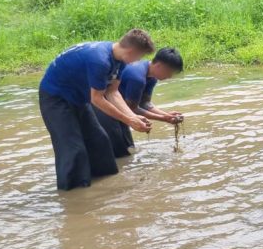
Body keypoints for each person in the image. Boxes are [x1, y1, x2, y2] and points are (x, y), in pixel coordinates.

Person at [38, 29, 156, 190]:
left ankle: (104, 188)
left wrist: (132, 117)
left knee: (99, 141)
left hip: (79, 98)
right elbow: (97, 99)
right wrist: (129, 120)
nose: (138, 61)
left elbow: (112, 92)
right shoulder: (100, 60)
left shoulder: (119, 60)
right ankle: (75, 196)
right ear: (131, 51)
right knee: (73, 149)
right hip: (55, 98)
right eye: (139, 57)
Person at [94, 47, 185, 157]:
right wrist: (164, 118)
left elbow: (145, 103)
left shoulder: (152, 77)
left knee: (128, 147)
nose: (169, 77)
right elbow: (133, 109)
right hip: (103, 107)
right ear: (160, 66)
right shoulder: (137, 78)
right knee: (118, 150)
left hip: (120, 109)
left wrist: (166, 115)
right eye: (170, 72)